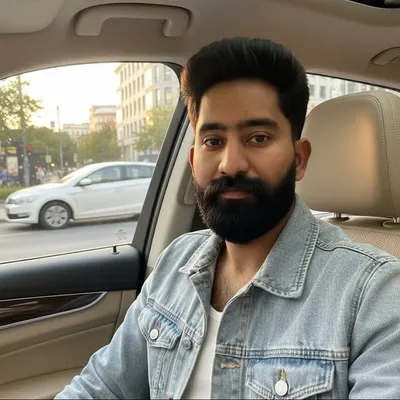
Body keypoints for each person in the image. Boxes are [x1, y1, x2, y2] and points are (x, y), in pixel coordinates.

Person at [55, 38, 400, 399]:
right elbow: (101, 387)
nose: (231, 164)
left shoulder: (374, 296)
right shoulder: (176, 262)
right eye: (213, 141)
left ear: (299, 159)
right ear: (193, 162)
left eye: (258, 137)